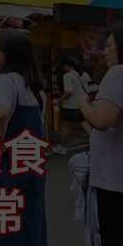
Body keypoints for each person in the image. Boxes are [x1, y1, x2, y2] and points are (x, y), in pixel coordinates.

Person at [0, 29, 47, 246]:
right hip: (32, 166)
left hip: (8, 168)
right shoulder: (37, 90)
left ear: (10, 54)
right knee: (31, 221)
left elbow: (0, 114)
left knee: (6, 227)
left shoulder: (6, 81)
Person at [78, 24, 123, 245]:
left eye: (109, 45)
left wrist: (83, 104)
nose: (105, 52)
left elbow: (102, 120)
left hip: (114, 184)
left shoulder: (117, 73)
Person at [55, 57, 89, 155]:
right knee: (86, 125)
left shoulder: (67, 76)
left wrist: (59, 100)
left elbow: (68, 91)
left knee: (66, 126)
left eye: (64, 65)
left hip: (70, 106)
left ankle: (62, 147)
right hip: (80, 105)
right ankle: (97, 143)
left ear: (67, 66)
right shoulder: (79, 75)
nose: (63, 67)